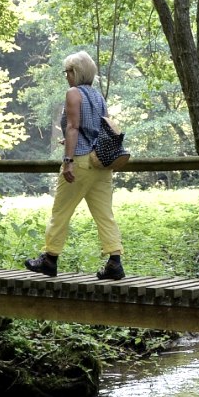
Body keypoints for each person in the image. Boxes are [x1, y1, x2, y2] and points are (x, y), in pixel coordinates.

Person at [25, 51, 127, 280]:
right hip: (100, 162)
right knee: (105, 214)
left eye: (68, 72)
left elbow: (72, 127)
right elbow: (100, 129)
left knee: (61, 211)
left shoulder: (74, 93)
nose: (66, 77)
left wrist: (68, 161)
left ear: (76, 72)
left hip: (80, 161)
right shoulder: (98, 96)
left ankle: (50, 258)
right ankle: (115, 261)